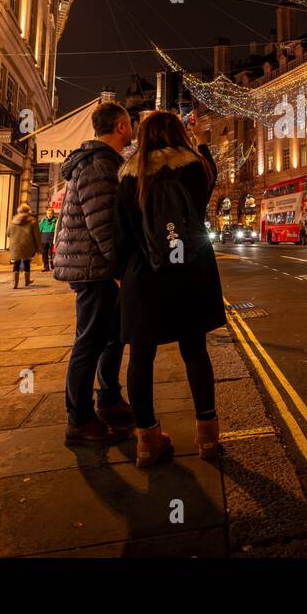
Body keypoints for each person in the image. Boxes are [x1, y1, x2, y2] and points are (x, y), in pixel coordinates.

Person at [114, 111, 225, 468]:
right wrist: (198, 139)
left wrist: (121, 275)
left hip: (144, 275)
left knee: (141, 356)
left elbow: (121, 233)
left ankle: (147, 440)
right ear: (180, 131)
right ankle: (207, 436)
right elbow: (211, 171)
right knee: (195, 351)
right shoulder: (197, 168)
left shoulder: (129, 175)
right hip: (190, 272)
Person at [53, 101, 135, 446]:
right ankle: (79, 419)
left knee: (112, 336)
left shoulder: (101, 162)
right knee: (89, 341)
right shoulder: (100, 165)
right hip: (94, 269)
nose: (132, 129)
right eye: (130, 123)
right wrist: (118, 269)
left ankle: (109, 398)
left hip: (93, 265)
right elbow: (102, 223)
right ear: (120, 126)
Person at [7, 203, 41, 288]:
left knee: (16, 263)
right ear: (28, 211)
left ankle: (15, 283)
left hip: (15, 245)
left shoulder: (13, 221)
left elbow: (8, 233)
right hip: (28, 245)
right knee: (26, 262)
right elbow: (37, 235)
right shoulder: (33, 221)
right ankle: (27, 281)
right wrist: (39, 247)